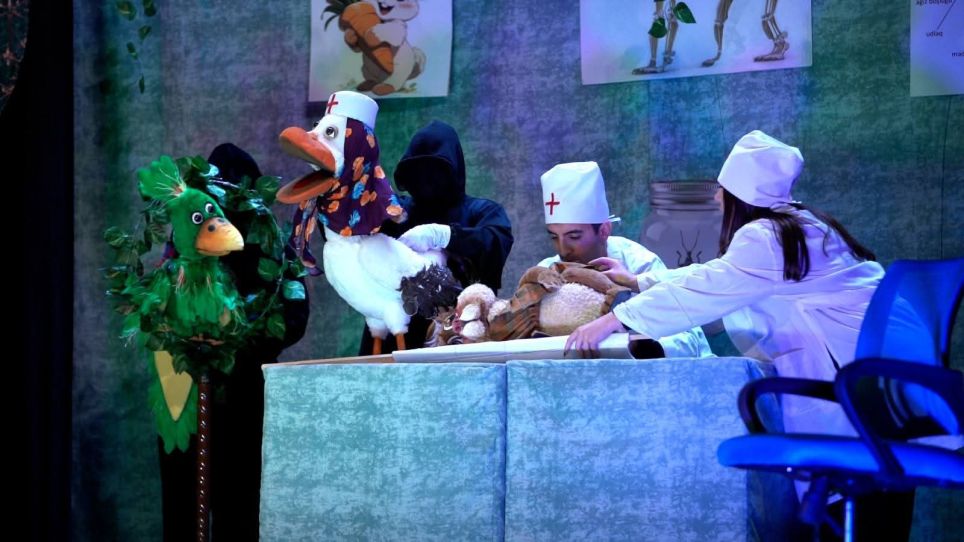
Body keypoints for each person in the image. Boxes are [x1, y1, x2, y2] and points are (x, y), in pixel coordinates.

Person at [564, 131, 915, 541]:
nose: (716, 198)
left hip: (855, 399)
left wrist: (617, 319)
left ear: (740, 197)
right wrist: (638, 281)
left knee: (863, 517)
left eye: (722, 189)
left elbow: (709, 289)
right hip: (886, 394)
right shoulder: (802, 225)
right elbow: (719, 275)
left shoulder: (767, 236)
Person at [159, 143, 309, 542]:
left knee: (240, 505)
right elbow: (157, 308)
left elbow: (295, 316)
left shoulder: (270, 246)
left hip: (246, 394)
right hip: (185, 391)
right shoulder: (185, 241)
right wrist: (188, 341)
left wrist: (238, 343)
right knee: (183, 503)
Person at [358, 120, 514, 354]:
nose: (427, 180)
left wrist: (446, 235)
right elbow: (353, 225)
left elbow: (494, 240)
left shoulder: (481, 212)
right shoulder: (396, 212)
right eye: (418, 172)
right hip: (392, 337)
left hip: (459, 337)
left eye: (436, 171)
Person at [537, 161, 712, 358]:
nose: (563, 249)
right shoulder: (546, 273)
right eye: (554, 237)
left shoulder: (639, 264)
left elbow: (686, 337)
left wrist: (628, 339)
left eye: (574, 236)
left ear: (604, 231)